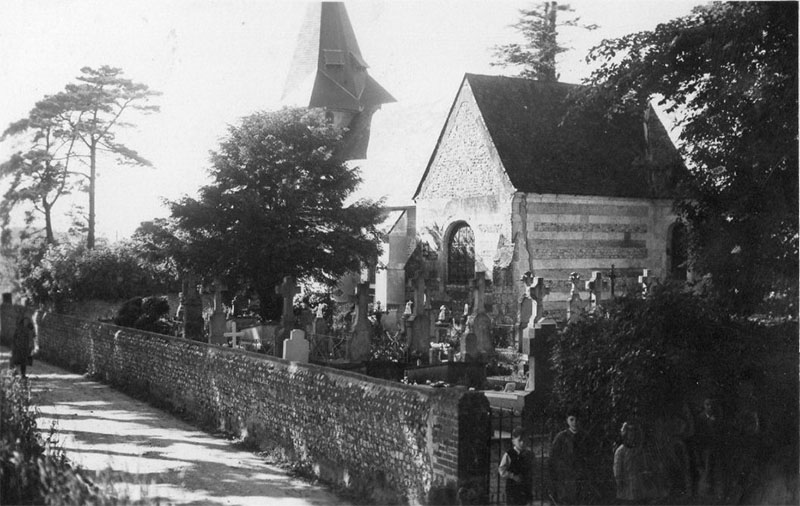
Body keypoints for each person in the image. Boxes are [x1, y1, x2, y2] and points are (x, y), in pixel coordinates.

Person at [549, 411, 588, 504]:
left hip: (580, 475)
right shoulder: (561, 437)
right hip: (565, 476)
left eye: (576, 420)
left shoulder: (584, 436)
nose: (574, 422)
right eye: (571, 419)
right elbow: (553, 457)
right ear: (567, 421)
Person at [614, 422, 648, 504]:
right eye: (630, 433)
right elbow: (617, 470)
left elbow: (643, 466)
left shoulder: (638, 450)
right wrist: (619, 482)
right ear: (625, 435)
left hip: (638, 486)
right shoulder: (620, 451)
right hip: (626, 487)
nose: (632, 436)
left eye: (634, 433)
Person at [498, 427, 533, 505]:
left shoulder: (529, 454)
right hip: (513, 487)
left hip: (524, 486)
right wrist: (512, 476)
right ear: (513, 441)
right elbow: (502, 470)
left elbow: (531, 469)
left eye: (525, 440)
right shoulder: (509, 454)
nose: (522, 443)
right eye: (520, 440)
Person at [10, 302, 38, 379]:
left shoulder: (24, 316)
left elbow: (29, 328)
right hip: (22, 341)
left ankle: (19, 373)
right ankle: (17, 373)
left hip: (21, 340)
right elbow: (26, 329)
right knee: (21, 358)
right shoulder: (25, 317)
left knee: (21, 358)